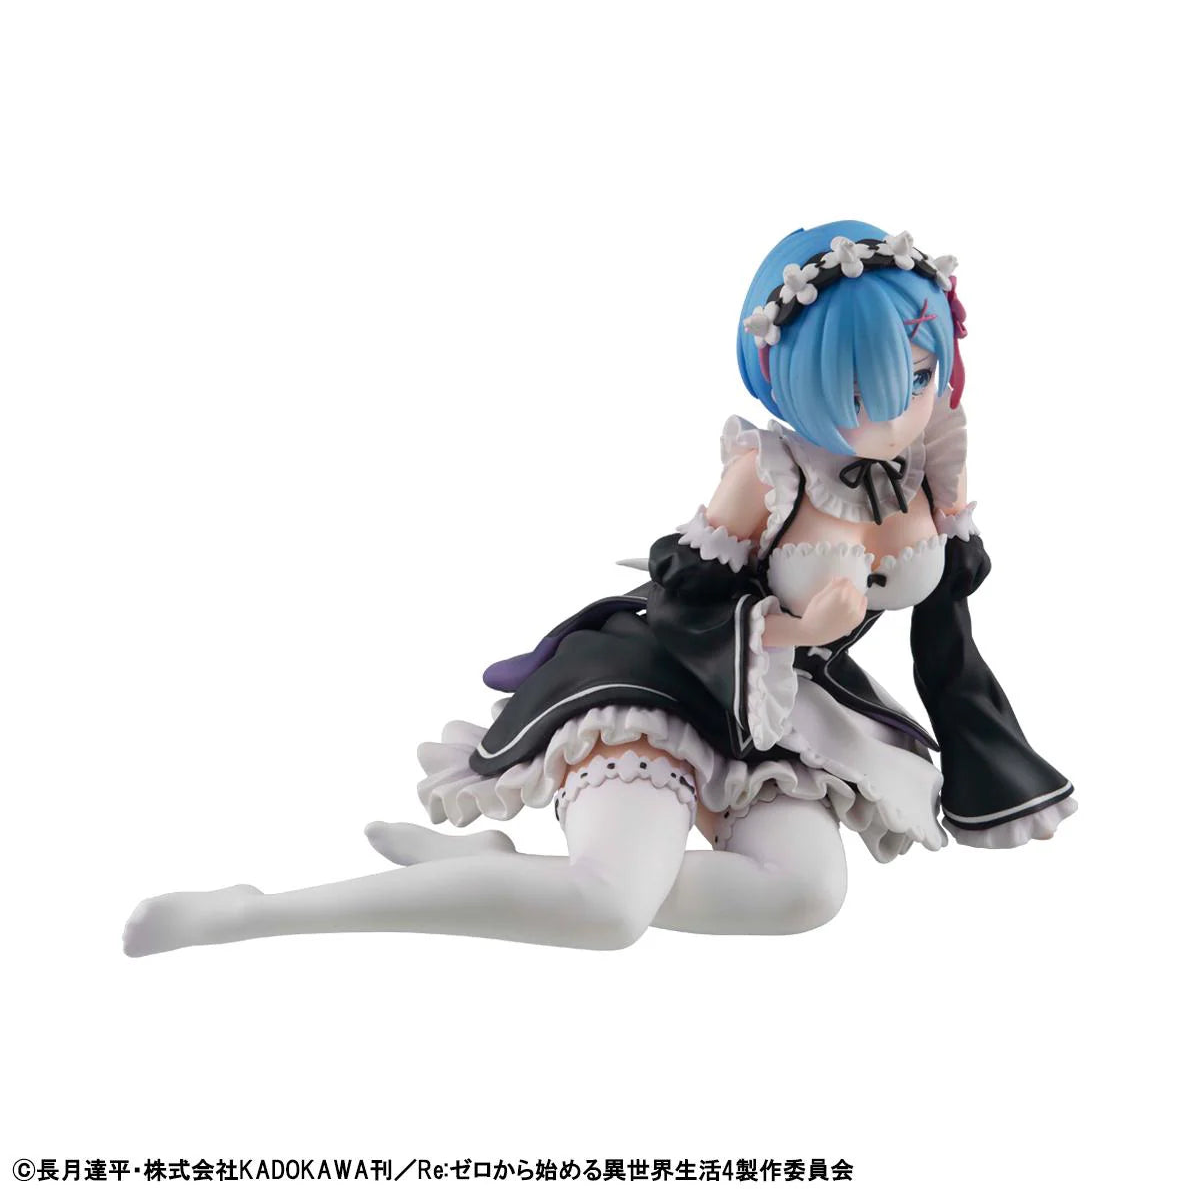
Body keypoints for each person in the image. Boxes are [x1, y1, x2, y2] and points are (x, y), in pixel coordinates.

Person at [122, 220, 1075, 957]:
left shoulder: (929, 466)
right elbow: (684, 600)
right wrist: (788, 627)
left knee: (804, 894)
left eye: (916, 374)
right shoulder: (770, 473)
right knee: (610, 911)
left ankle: (507, 878)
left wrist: (988, 757)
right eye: (861, 389)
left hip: (782, 719)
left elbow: (947, 623)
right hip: (663, 687)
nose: (896, 411)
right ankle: (257, 915)